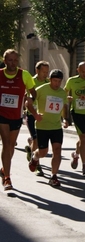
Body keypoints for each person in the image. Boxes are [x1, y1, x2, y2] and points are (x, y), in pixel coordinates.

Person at [0, 49, 36, 190]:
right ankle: (8, 178)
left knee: (11, 145)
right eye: (10, 60)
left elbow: (34, 92)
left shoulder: (24, 75)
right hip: (1, 114)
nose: (13, 63)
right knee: (6, 142)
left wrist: (30, 100)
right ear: (5, 61)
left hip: (16, 115)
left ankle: (4, 169)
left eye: (15, 60)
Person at [26, 69, 69, 187]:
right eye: (54, 81)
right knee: (43, 152)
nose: (57, 83)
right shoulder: (41, 90)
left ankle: (53, 176)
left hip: (56, 127)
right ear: (50, 80)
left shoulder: (62, 92)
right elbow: (28, 103)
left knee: (57, 150)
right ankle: (35, 157)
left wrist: (65, 119)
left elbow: (64, 106)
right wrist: (35, 115)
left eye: (59, 81)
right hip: (42, 126)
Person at [25, 60, 50, 177]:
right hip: (31, 114)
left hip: (43, 115)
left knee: (37, 140)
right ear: (37, 71)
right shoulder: (31, 81)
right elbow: (25, 97)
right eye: (43, 72)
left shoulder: (48, 83)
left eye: (47, 72)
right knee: (36, 140)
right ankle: (38, 166)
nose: (45, 74)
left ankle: (31, 149)